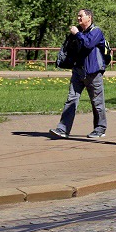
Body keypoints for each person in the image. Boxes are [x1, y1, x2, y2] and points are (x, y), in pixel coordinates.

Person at [49, 9, 108, 140]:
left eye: (81, 16)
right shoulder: (78, 33)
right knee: (71, 100)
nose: (78, 18)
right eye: (77, 16)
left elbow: (88, 44)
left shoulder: (96, 32)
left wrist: (77, 34)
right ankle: (62, 128)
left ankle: (100, 128)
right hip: (78, 72)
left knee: (97, 102)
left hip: (93, 73)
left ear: (89, 17)